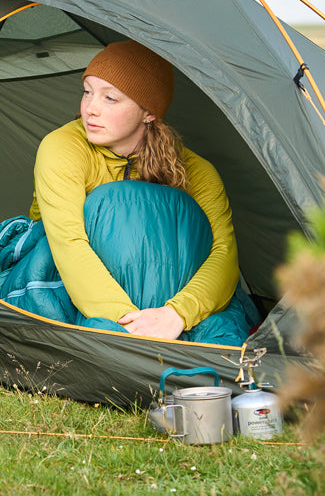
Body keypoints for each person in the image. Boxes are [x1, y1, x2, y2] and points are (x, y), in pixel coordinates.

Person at [29, 39, 241, 341]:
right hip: (67, 277)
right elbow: (68, 243)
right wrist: (129, 327)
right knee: (109, 201)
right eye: (87, 92)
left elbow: (224, 254)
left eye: (110, 99)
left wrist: (176, 315)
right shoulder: (62, 147)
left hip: (167, 293)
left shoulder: (198, 171)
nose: (90, 109)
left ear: (148, 112)